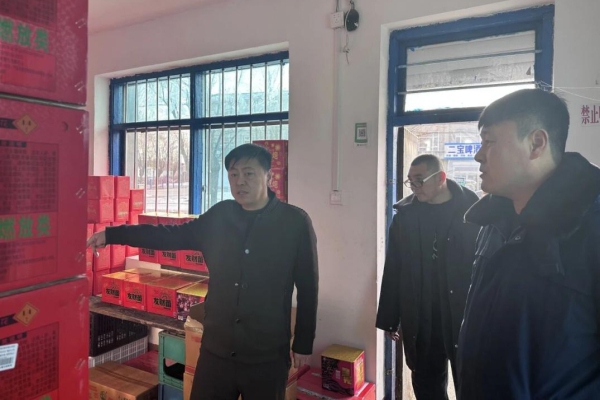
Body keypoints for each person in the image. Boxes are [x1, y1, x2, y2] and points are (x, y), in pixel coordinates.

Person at [87, 143, 319, 400]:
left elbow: (308, 287)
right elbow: (169, 235)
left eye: (249, 173)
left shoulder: (294, 223)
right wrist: (112, 234)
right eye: (233, 174)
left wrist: (303, 342)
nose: (240, 181)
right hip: (217, 350)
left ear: (268, 175)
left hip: (266, 355)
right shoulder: (220, 216)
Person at [457, 89, 600, 399]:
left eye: (489, 141)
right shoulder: (494, 222)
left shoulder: (590, 226)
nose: (478, 155)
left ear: (536, 143)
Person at [376, 154, 480, 400]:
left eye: (419, 180)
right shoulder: (406, 217)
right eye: (410, 181)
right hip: (421, 314)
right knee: (426, 384)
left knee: (470, 382)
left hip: (461, 313)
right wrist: (390, 318)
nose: (413, 186)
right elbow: (394, 267)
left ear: (441, 177)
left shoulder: (473, 211)